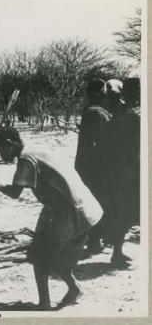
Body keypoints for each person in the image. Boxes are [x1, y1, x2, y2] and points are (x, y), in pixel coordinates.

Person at [0, 127, 102, 310]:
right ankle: (73, 289)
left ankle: (44, 303)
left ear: (10, 145)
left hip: (69, 211)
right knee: (52, 254)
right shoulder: (36, 148)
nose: (1, 156)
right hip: (78, 206)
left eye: (1, 150)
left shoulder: (26, 160)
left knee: (40, 257)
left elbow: (14, 192)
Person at [105, 77, 140, 267]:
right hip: (130, 170)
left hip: (119, 170)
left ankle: (117, 252)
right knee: (125, 213)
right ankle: (116, 254)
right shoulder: (133, 115)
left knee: (123, 213)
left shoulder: (118, 112)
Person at [75, 78, 112, 254]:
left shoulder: (89, 111)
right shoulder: (98, 113)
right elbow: (102, 142)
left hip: (85, 165)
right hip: (97, 166)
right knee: (100, 201)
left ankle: (90, 240)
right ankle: (94, 242)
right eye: (104, 93)